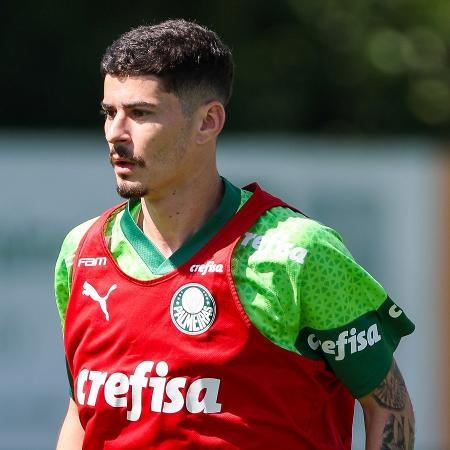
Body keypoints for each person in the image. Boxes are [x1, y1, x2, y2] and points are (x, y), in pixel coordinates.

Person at [55, 19, 415, 450]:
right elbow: (83, 407)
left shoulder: (297, 252)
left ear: (208, 122)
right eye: (109, 113)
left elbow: (389, 407)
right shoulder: (82, 251)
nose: (116, 133)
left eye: (140, 113)